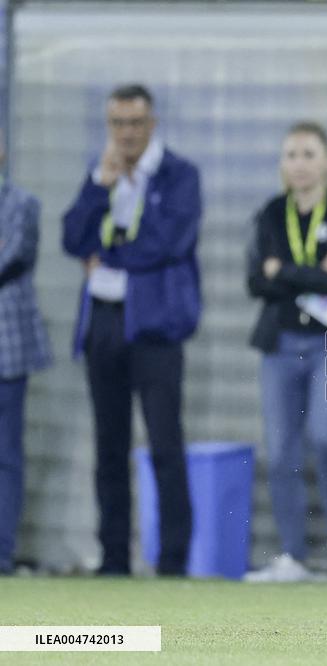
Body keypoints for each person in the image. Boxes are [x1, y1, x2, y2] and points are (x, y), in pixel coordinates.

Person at [62, 84, 201, 577]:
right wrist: (98, 187)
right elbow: (71, 238)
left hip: (156, 325)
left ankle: (173, 562)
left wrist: (108, 256)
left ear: (152, 124)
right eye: (117, 124)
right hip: (103, 320)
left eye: (135, 123)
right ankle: (114, 559)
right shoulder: (100, 172)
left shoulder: (179, 174)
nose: (126, 134)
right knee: (109, 446)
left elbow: (167, 243)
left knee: (164, 444)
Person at [244, 121, 327, 583]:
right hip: (280, 343)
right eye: (291, 155)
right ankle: (292, 555)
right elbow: (256, 281)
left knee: (325, 435)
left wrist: (284, 271)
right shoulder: (269, 215)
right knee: (280, 450)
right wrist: (316, 271)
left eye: (308, 154)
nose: (299, 164)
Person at [0, 135, 52, 575]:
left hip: (8, 349)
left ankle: (1, 551)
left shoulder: (22, 204)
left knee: (6, 455)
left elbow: (11, 257)